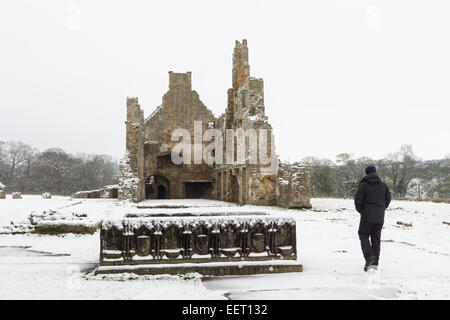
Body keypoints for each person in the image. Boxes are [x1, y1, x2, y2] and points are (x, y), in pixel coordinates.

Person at [354, 165, 391, 271]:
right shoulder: (383, 185)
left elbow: (358, 200)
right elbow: (388, 199)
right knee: (376, 238)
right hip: (379, 217)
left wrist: (362, 210)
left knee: (363, 234)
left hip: (367, 215)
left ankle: (369, 256)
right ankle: (374, 263)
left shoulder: (364, 185)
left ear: (366, 173)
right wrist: (381, 209)